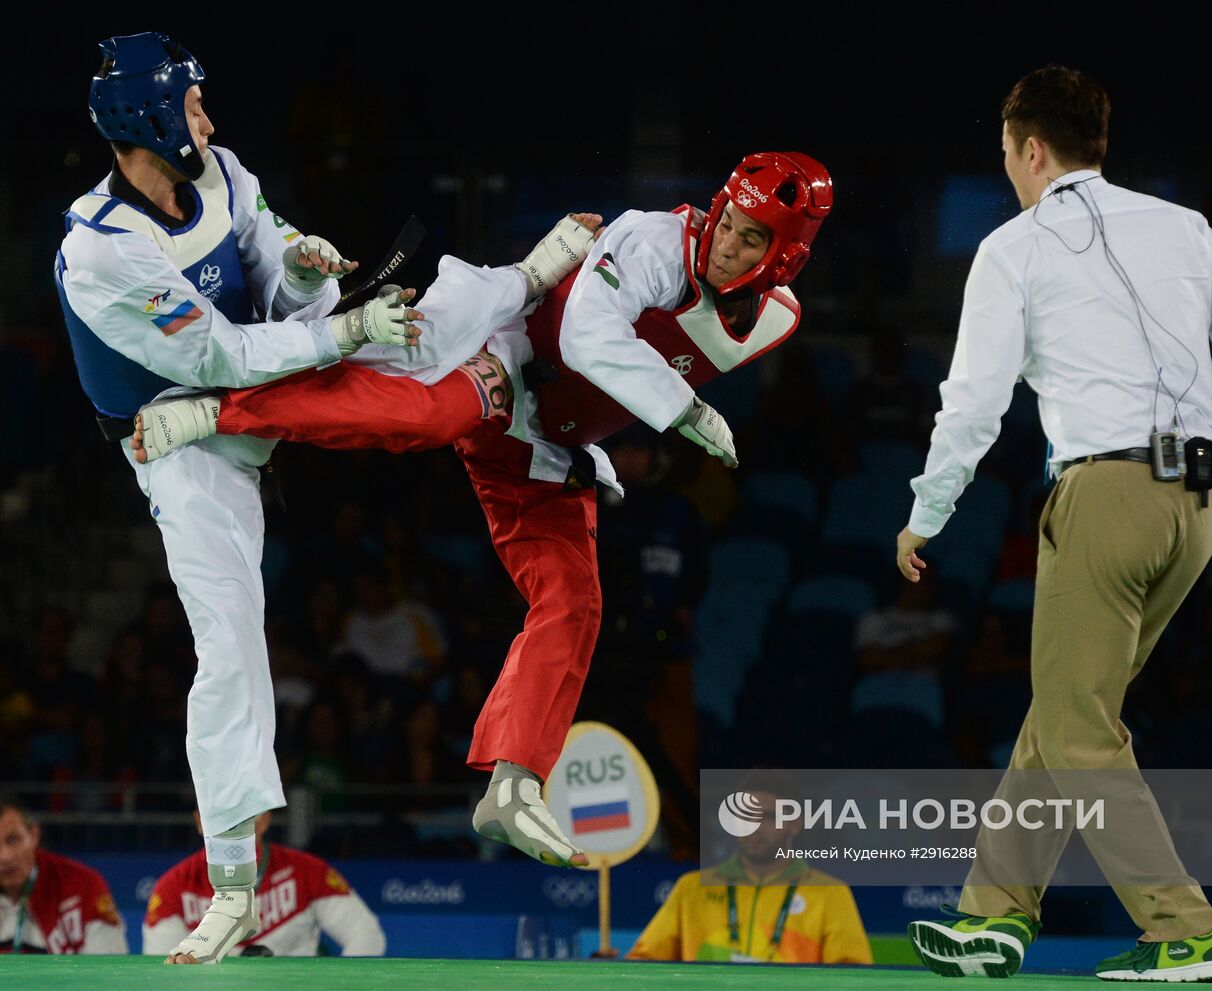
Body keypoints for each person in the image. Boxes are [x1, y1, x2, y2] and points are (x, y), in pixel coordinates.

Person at [130, 152, 834, 870]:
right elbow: (587, 337)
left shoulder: (774, 322)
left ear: (784, 261)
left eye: (751, 241)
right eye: (728, 223)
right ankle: (215, 410)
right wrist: (684, 409)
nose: (725, 245)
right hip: (507, 354)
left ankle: (514, 784)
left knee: (574, 600)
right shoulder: (656, 242)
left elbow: (634, 373)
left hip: (550, 449)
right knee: (429, 418)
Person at [55, 32, 590, 964]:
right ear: (146, 120)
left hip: (272, 362)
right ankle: (231, 882)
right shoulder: (103, 253)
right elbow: (219, 358)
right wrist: (339, 330)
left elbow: (269, 289)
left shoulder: (220, 171)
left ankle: (530, 279)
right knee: (229, 637)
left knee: (427, 334)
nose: (208, 123)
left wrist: (305, 268)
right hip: (182, 431)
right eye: (190, 108)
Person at [895, 65, 1212, 983]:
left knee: (1080, 725)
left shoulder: (1012, 248)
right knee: (1064, 709)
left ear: (1032, 148)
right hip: (1201, 503)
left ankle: (1184, 927)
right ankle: (990, 917)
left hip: (1108, 496)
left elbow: (972, 403)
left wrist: (926, 513)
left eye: (1006, 152)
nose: (1007, 167)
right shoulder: (1187, 229)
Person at [626, 787, 871, 964]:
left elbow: (854, 977)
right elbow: (644, 964)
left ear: (795, 823)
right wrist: (609, 968)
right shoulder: (692, 888)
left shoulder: (829, 892)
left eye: (768, 816)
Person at [142, 811, 385, 958]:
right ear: (199, 821)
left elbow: (366, 934)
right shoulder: (172, 887)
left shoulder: (307, 871)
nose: (229, 830)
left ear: (264, 820)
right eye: (217, 816)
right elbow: (163, 967)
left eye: (241, 818)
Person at [0, 793, 127, 954]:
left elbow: (110, 971)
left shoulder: (83, 886)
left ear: (34, 835)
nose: (5, 857)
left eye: (13, 840)